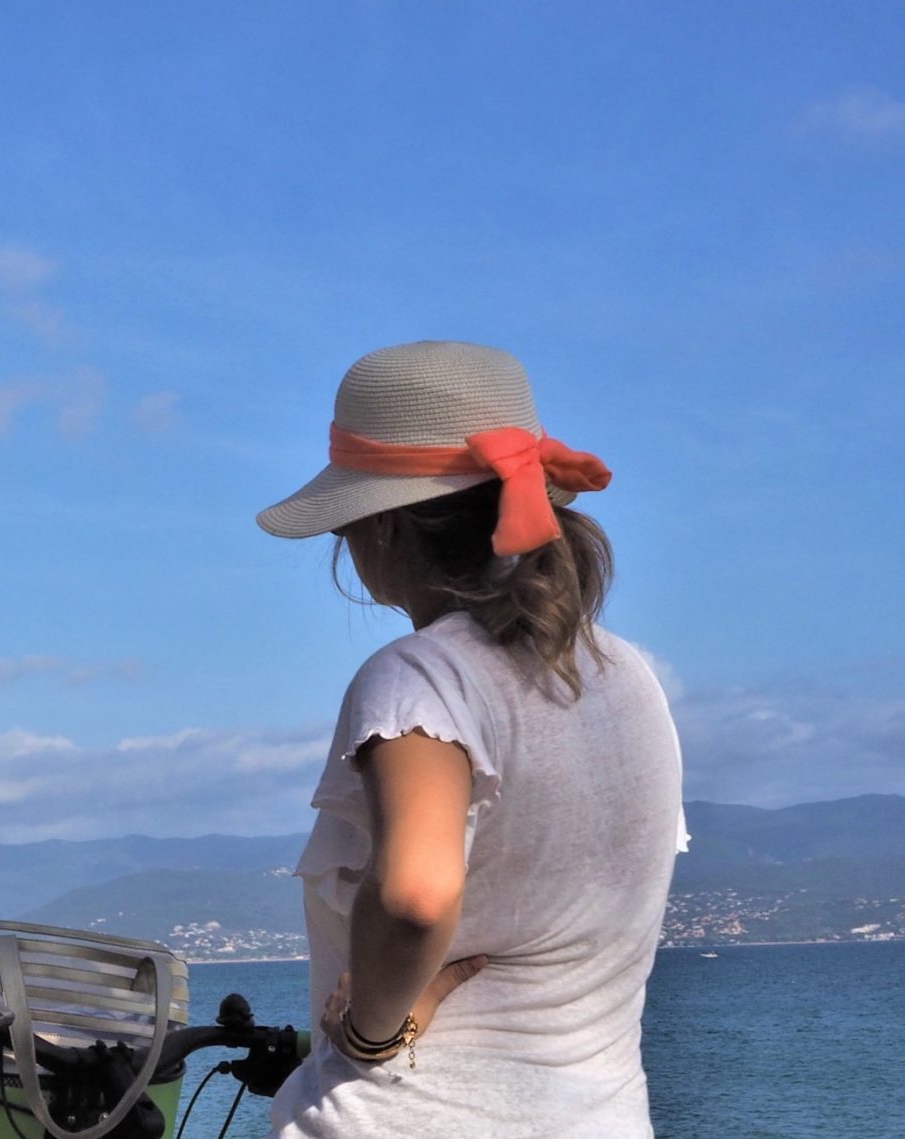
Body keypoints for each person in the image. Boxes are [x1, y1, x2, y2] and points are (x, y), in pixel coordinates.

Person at [256, 342, 684, 1138]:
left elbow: (417, 894)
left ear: (382, 526)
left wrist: (373, 1031)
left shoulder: (419, 677)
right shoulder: (628, 679)